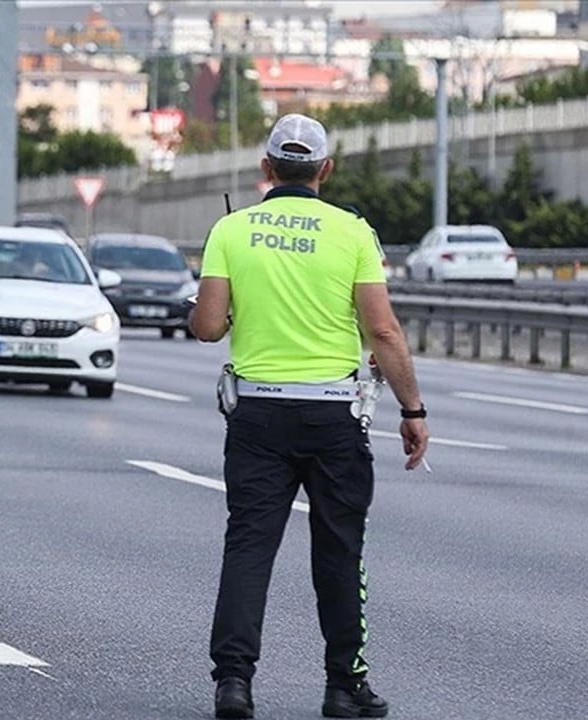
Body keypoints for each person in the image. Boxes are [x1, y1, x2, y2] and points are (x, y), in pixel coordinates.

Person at [189, 113, 430, 719]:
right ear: (326, 169)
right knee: (339, 551)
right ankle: (344, 687)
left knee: (249, 547)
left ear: (266, 167)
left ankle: (234, 683)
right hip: (333, 417)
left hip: (257, 415)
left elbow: (208, 327)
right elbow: (382, 330)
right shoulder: (353, 232)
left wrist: (224, 309)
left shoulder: (231, 229)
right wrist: (412, 408)